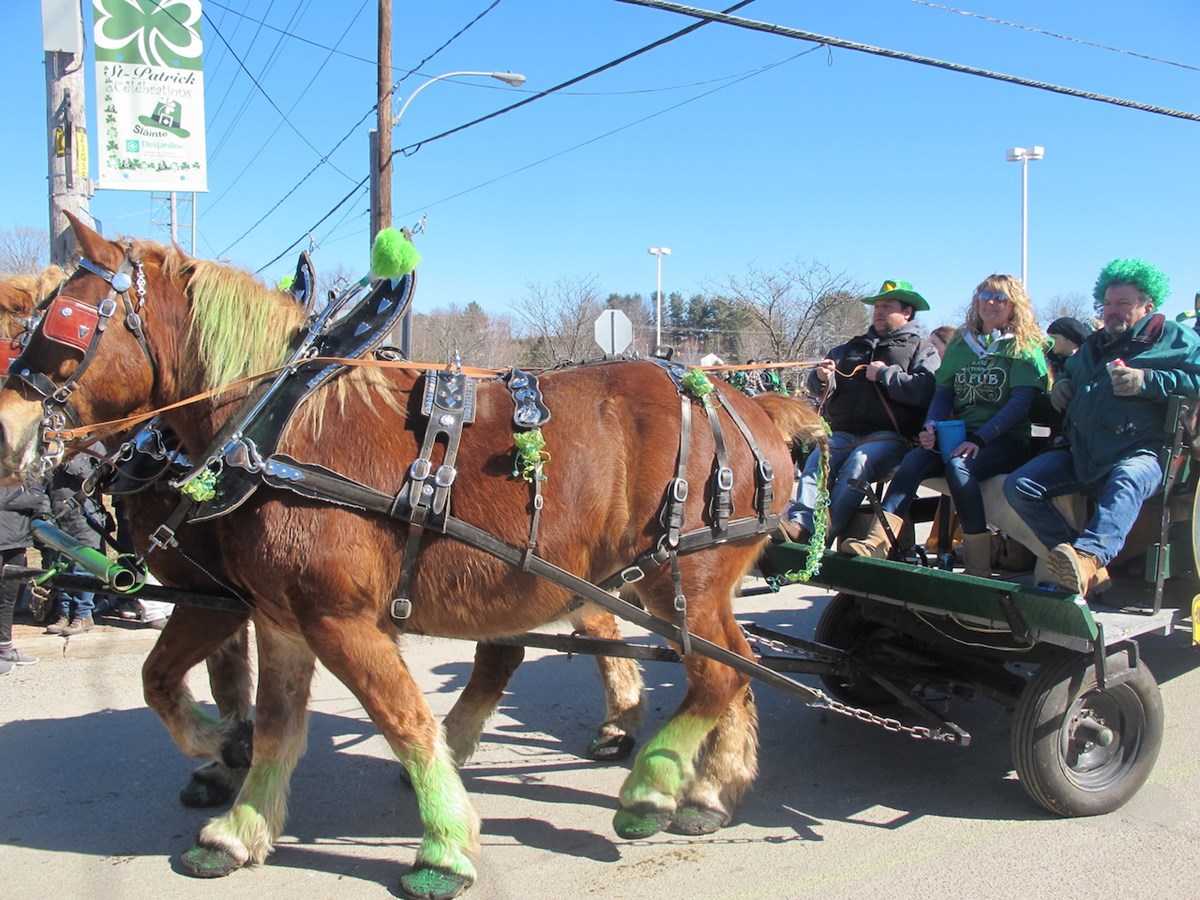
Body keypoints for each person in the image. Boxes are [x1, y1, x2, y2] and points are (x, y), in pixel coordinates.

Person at [1004, 259, 1200, 595]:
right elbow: (1070, 371)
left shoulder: (1174, 337)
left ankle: (1089, 556)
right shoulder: (1094, 344)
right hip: (1083, 451)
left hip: (1143, 451)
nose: (1112, 311)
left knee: (1127, 478)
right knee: (1020, 485)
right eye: (1107, 303)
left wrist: (1148, 380)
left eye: (1123, 303)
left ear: (1148, 306)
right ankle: (1085, 565)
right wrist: (1062, 384)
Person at [843, 274, 1049, 574]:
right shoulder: (963, 343)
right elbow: (944, 393)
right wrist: (932, 426)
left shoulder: (1022, 347)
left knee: (958, 466)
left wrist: (979, 440)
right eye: (985, 295)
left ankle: (978, 564)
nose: (991, 302)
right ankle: (876, 542)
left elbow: (1019, 405)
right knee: (915, 460)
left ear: (1014, 305)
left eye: (1000, 297)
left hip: (1004, 440)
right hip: (959, 436)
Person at [780, 279, 939, 543]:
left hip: (891, 437)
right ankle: (801, 524)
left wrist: (886, 375)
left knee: (858, 463)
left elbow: (927, 389)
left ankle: (820, 537)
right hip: (844, 433)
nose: (878, 311)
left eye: (887, 306)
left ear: (907, 312)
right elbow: (817, 388)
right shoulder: (849, 349)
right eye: (877, 306)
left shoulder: (923, 349)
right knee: (817, 461)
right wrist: (821, 377)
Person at [44, 449, 107, 636]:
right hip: (58, 519)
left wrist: (68, 461)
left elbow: (95, 476)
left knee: (82, 570)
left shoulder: (93, 447)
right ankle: (64, 613)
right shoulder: (51, 452)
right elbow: (42, 488)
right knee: (62, 568)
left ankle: (83, 615)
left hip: (84, 520)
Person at [0, 483, 48, 675]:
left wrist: (10, 496)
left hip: (16, 540)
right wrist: (20, 493)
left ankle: (5, 649)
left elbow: (36, 498)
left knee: (8, 599)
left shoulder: (22, 471)